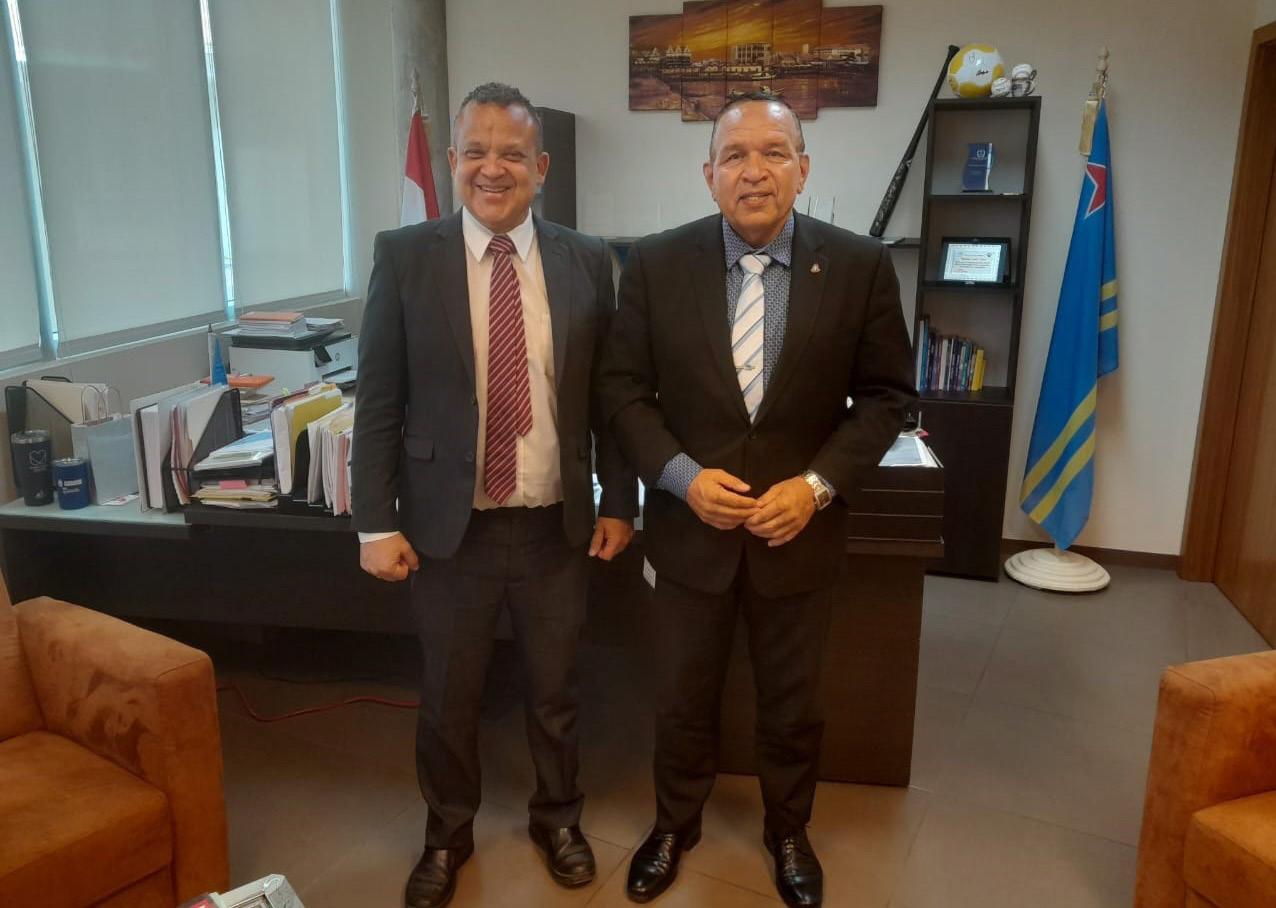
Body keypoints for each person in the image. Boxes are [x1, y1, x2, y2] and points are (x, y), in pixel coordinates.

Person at [597, 91, 915, 907]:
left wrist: (816, 487)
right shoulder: (656, 264)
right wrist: (680, 476)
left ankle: (788, 830)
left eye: (774, 152)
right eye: (734, 155)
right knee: (681, 697)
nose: (754, 171)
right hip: (689, 533)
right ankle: (675, 825)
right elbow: (623, 392)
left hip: (797, 535)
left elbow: (887, 398)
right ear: (708, 174)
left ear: (802, 168)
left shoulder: (860, 266)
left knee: (793, 702)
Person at [352, 82, 637, 908]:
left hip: (555, 525)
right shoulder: (406, 256)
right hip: (451, 530)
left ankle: (558, 819)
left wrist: (618, 500)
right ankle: (446, 836)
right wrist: (374, 522)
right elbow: (379, 400)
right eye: (475, 150)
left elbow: (611, 397)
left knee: (556, 691)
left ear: (540, 168)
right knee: (450, 697)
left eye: (512, 153)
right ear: (451, 161)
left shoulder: (588, 260)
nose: (492, 167)